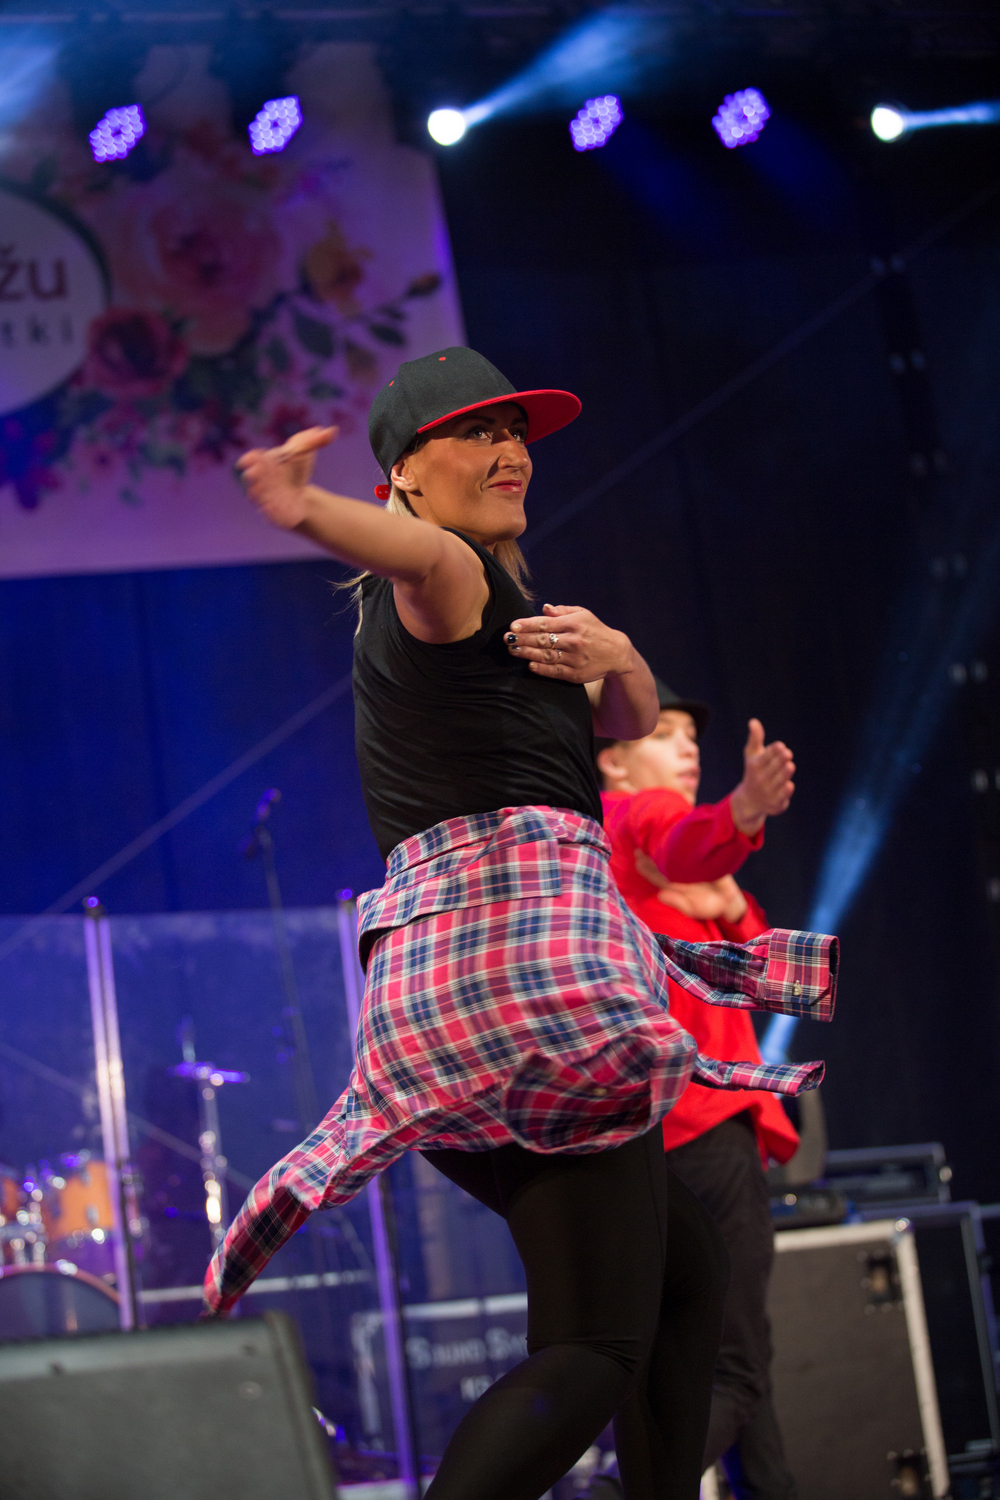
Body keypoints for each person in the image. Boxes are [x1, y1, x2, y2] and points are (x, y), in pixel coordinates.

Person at [204, 346, 836, 1500]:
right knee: (594, 1340)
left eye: (516, 433)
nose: (509, 451)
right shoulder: (447, 575)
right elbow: (409, 551)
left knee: (684, 1274)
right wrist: (304, 509)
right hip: (526, 992)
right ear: (405, 473)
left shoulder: (516, 623)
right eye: (474, 433)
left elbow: (628, 717)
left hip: (455, 1011)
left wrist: (621, 655)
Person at [598, 682, 801, 1500]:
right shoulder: (633, 818)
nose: (686, 748)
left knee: (732, 1357)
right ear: (613, 762)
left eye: (691, 737)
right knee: (735, 1371)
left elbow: (774, 978)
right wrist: (742, 813)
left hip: (650, 1138)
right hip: (703, 1125)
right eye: (663, 734)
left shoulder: (633, 858)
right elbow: (682, 842)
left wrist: (729, 898)